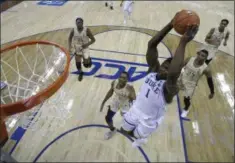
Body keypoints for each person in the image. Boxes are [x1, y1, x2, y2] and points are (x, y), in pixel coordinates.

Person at [119, 14, 199, 147]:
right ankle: (134, 133)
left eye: (170, 68)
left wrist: (183, 42)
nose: (165, 68)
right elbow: (151, 45)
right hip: (134, 110)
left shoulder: (171, 87)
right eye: (165, 64)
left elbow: (173, 73)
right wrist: (170, 25)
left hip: (148, 121)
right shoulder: (153, 70)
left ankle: (141, 138)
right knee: (123, 130)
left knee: (137, 136)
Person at [178, 49, 215, 118]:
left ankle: (186, 109)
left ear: (206, 58)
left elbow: (210, 81)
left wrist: (212, 92)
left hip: (191, 84)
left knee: (186, 99)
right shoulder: (189, 59)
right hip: (182, 78)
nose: (200, 56)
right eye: (199, 54)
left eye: (203, 56)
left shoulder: (206, 69)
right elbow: (181, 66)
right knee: (172, 88)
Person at [100, 71, 136, 140]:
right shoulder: (114, 82)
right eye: (121, 77)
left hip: (126, 103)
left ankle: (133, 130)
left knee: (128, 121)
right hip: (116, 100)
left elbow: (134, 98)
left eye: (124, 78)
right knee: (108, 118)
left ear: (127, 79)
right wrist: (103, 102)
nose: (122, 79)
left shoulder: (130, 87)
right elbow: (110, 92)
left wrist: (130, 95)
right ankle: (112, 130)